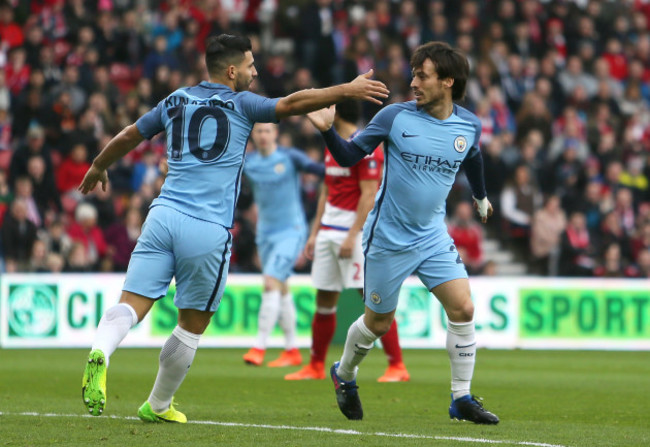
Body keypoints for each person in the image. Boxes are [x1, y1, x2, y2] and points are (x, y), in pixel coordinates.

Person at [78, 34, 389, 423]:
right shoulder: (242, 104)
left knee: (132, 302)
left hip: (161, 216)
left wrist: (98, 165)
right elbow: (292, 103)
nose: (255, 71)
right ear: (231, 71)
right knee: (192, 325)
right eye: (250, 65)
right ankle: (157, 405)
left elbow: (129, 135)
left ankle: (101, 351)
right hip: (207, 228)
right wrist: (347, 89)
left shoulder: (175, 98)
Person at [306, 41, 499, 424]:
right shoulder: (394, 117)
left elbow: (473, 156)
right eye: (413, 74)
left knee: (463, 307)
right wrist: (328, 133)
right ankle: (344, 375)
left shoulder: (469, 125)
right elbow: (348, 156)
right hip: (388, 237)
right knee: (378, 322)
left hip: (431, 236)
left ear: (447, 82)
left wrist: (480, 197)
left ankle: (460, 398)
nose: (413, 82)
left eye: (422, 76)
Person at [285, 100, 410, 383]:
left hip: (353, 235)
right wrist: (315, 232)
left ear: (336, 112)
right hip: (328, 231)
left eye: (326, 107)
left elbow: (368, 195)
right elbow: (326, 189)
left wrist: (353, 235)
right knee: (324, 300)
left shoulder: (364, 147)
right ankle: (316, 365)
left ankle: (397, 365)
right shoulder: (335, 144)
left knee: (375, 300)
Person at [241, 122, 324, 367]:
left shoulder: (290, 157)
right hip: (265, 233)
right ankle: (292, 350)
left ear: (276, 133)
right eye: (259, 131)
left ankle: (259, 346)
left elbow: (322, 171)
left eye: (268, 131)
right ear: (254, 136)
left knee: (270, 282)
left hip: (292, 231)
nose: (264, 135)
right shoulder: (249, 162)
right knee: (282, 287)